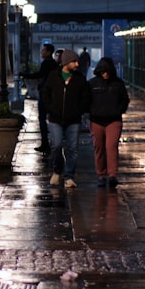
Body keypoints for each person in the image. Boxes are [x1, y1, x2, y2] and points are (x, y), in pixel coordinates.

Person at [42, 49, 90, 188]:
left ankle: (69, 176)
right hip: (55, 118)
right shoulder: (53, 76)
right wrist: (50, 108)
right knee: (56, 145)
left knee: (72, 148)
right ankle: (57, 170)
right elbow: (45, 93)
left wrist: (79, 111)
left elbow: (85, 97)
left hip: (73, 119)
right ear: (66, 62)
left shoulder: (79, 79)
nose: (77, 64)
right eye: (74, 62)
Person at [88, 57, 129, 188]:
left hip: (113, 120)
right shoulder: (93, 84)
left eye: (107, 71)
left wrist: (118, 111)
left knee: (111, 147)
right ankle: (101, 175)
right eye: (102, 71)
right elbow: (86, 100)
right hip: (97, 120)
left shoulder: (118, 84)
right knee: (99, 148)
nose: (105, 74)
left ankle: (111, 175)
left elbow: (125, 100)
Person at [20, 43, 58, 152]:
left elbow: (40, 74)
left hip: (45, 94)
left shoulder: (47, 63)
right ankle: (51, 142)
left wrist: (25, 75)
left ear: (49, 52)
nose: (42, 52)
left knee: (42, 119)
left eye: (44, 50)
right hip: (51, 94)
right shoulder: (53, 64)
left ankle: (45, 143)